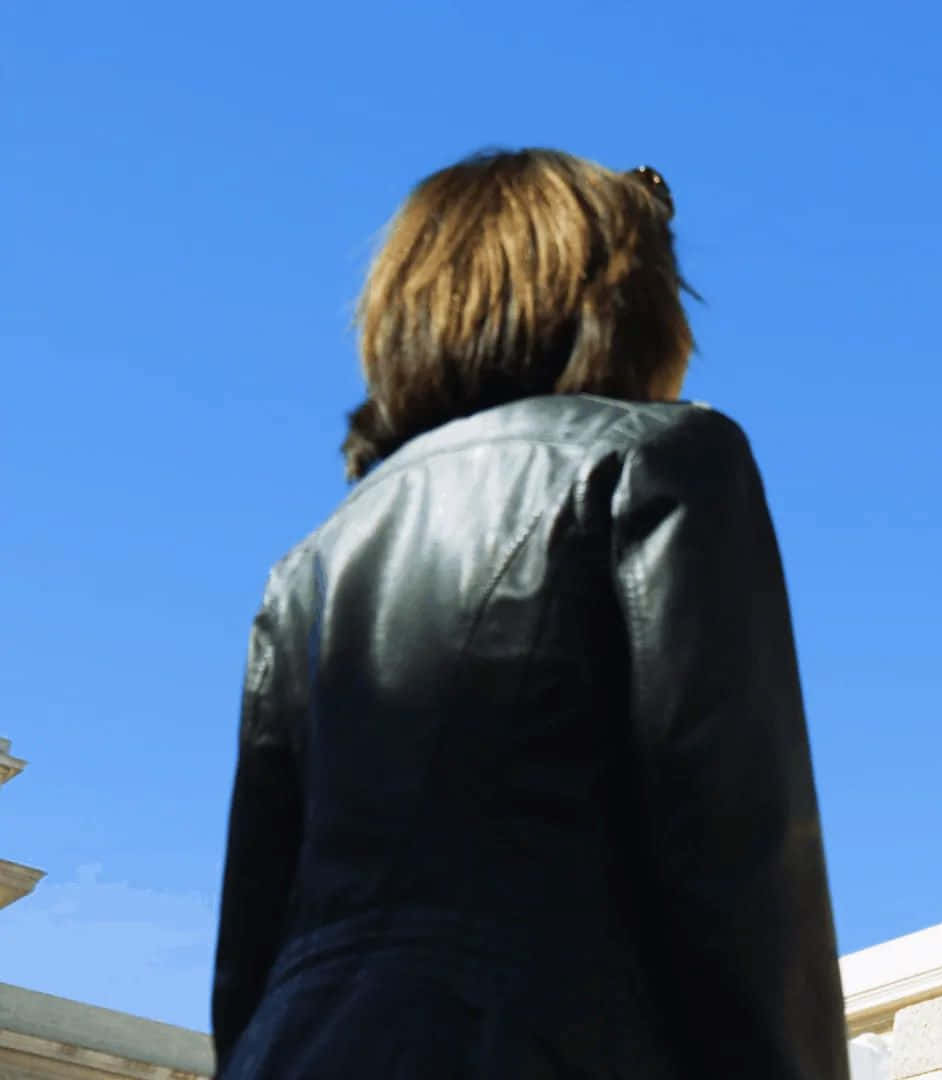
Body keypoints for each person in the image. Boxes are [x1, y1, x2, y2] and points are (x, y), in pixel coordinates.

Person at [211, 150, 851, 1079]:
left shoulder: (304, 570)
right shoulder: (662, 461)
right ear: (623, 304)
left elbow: (250, 955)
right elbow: (744, 868)